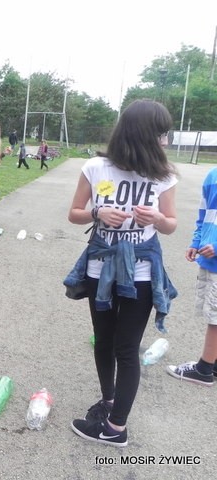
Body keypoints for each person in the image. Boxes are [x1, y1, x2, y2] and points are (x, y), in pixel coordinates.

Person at [64, 99, 178, 447]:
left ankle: (116, 428)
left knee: (126, 348)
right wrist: (97, 213)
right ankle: (109, 401)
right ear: (142, 134)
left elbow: (171, 224)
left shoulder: (164, 175)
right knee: (103, 340)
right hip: (100, 268)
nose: (165, 140)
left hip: (140, 273)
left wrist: (158, 218)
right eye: (161, 133)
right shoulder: (96, 167)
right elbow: (74, 212)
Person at [166, 168, 217, 387]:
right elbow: (204, 214)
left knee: (215, 317)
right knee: (212, 312)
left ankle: (204, 369)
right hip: (209, 258)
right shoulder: (212, 175)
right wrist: (196, 241)